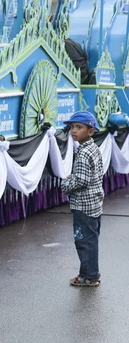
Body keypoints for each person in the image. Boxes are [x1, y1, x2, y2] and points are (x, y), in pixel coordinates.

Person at [61, 110, 104, 287]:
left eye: (79, 127)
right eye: (72, 127)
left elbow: (82, 180)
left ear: (91, 131)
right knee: (90, 240)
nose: (74, 131)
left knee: (83, 242)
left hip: (84, 206)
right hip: (95, 203)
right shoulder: (93, 148)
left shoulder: (84, 153)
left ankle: (89, 277)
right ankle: (88, 273)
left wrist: (66, 184)